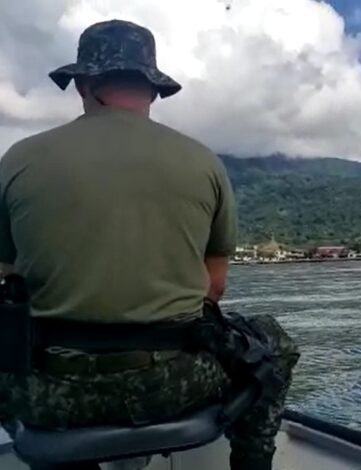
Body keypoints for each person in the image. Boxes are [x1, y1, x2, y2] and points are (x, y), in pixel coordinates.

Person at [0, 19, 298, 470]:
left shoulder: (18, 158)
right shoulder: (203, 161)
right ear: (154, 89)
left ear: (82, 84)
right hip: (169, 387)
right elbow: (213, 289)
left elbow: (9, 282)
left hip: (48, 393)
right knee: (274, 344)